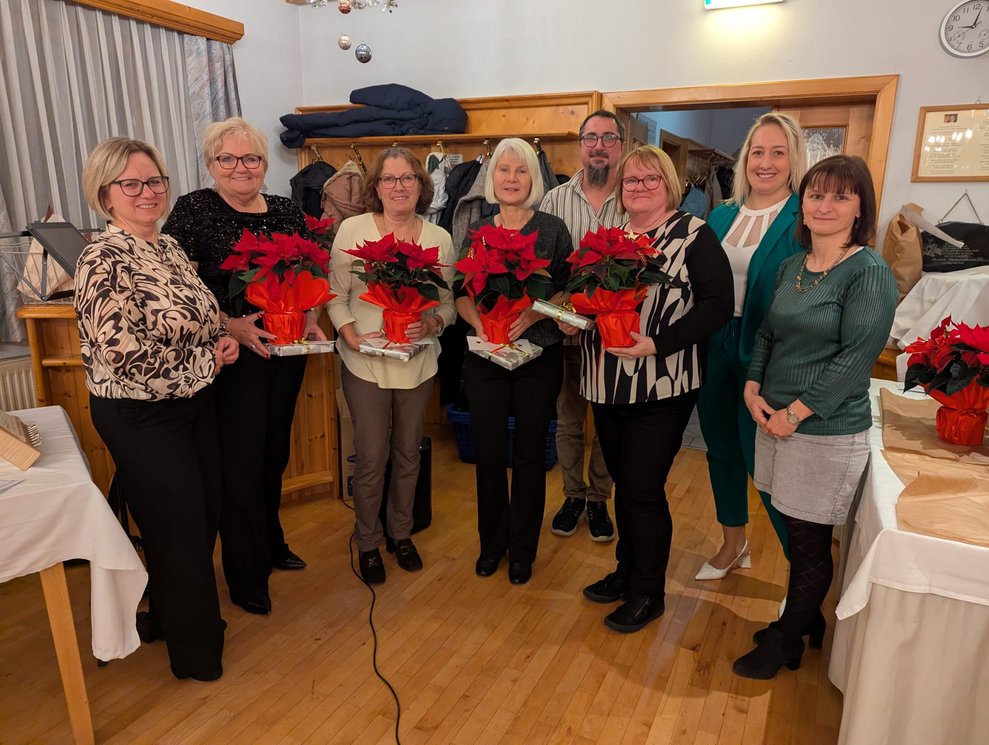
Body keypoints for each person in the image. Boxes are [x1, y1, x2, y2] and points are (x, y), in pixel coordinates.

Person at [75, 137, 239, 681]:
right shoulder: (101, 259)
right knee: (181, 530)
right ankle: (196, 655)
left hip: (193, 404)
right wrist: (206, 365)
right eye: (132, 183)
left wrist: (221, 339)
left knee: (203, 516)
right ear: (107, 194)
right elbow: (124, 357)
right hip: (140, 414)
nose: (147, 192)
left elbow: (201, 317)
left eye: (155, 181)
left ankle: (168, 616)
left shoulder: (167, 247)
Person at [732, 155, 896, 679]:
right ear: (802, 203)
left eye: (840, 197)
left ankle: (786, 637)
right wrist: (753, 385)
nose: (825, 206)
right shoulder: (793, 265)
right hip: (773, 418)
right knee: (789, 523)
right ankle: (803, 624)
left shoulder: (869, 272)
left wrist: (796, 413)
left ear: (859, 209)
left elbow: (854, 361)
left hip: (823, 429)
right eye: (816, 194)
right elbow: (766, 333)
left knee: (807, 541)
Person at [163, 117, 324, 616]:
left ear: (263, 163)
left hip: (285, 353)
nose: (240, 168)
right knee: (240, 464)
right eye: (227, 159)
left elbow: (309, 273)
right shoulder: (193, 209)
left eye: (250, 158)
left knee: (274, 453)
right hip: (235, 361)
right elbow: (178, 287)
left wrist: (313, 318)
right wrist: (231, 326)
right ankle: (246, 572)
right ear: (211, 165)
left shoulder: (284, 211)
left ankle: (271, 541)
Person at [568, 145, 733, 633]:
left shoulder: (693, 235)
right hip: (607, 383)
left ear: (669, 184)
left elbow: (718, 305)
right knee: (624, 484)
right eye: (631, 181)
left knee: (643, 488)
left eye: (649, 180)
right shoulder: (610, 237)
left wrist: (656, 344)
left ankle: (649, 592)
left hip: (662, 385)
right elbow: (591, 299)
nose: (639, 188)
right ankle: (626, 571)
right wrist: (572, 320)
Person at [329, 147, 456, 585]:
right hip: (364, 362)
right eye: (389, 179)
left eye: (407, 179)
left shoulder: (438, 238)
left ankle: (400, 533)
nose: (398, 187)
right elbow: (335, 293)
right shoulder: (352, 229)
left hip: (417, 365)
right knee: (371, 456)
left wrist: (434, 322)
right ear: (375, 186)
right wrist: (348, 333)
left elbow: (448, 304)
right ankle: (368, 541)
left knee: (408, 453)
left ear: (421, 186)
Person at [695, 113, 807, 581]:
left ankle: (802, 572)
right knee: (720, 448)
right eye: (757, 152)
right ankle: (733, 543)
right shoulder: (720, 215)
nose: (766, 162)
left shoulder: (804, 215)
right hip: (713, 342)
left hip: (768, 350)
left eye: (777, 152)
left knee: (765, 459)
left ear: (793, 159)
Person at [455, 138, 572, 585]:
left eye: (520, 171)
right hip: (486, 356)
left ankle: (523, 551)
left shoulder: (552, 228)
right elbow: (460, 294)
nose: (511, 179)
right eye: (503, 170)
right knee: (487, 454)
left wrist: (533, 312)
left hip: (538, 355)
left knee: (528, 456)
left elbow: (567, 287)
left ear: (533, 178)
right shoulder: (476, 229)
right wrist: (479, 324)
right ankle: (492, 545)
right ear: (492, 178)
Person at [540, 110, 623, 542]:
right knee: (569, 420)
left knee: (608, 424)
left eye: (608, 138)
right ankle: (573, 495)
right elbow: (547, 276)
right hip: (567, 334)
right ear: (580, 145)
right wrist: (564, 315)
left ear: (620, 146)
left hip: (615, 337)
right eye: (591, 137)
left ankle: (598, 500)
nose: (598, 146)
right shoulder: (554, 201)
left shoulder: (634, 197)